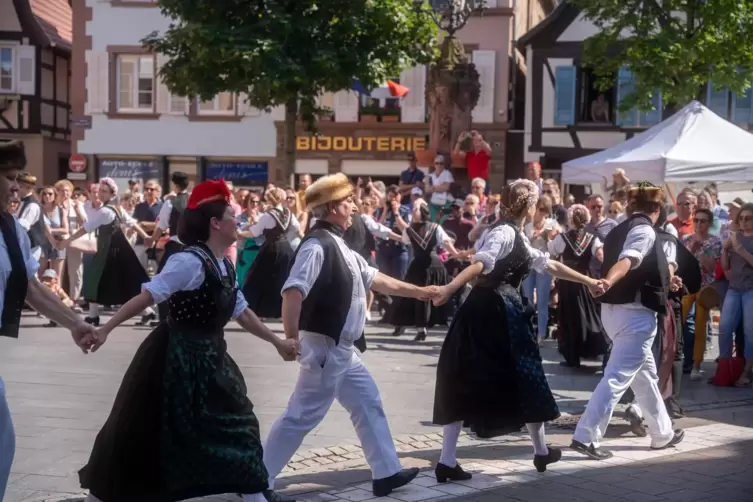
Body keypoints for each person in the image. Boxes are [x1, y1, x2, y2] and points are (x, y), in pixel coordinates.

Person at [77, 180, 298, 502]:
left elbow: (242, 311)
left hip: (211, 355)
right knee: (146, 427)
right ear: (215, 224)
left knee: (239, 419)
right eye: (233, 217)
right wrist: (107, 328)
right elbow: (147, 296)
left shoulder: (224, 263)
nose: (239, 223)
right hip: (174, 356)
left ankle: (253, 492)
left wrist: (277, 342)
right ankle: (106, 491)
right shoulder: (189, 261)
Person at [262, 173, 443, 501]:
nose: (354, 205)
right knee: (300, 416)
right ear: (333, 207)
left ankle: (386, 472)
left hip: (341, 350)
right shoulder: (316, 245)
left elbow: (376, 279)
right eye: (348, 201)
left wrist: (422, 292)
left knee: (368, 402)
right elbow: (292, 292)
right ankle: (259, 479)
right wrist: (290, 338)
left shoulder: (338, 244)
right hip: (326, 348)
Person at [428, 179, 605, 481]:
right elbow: (481, 265)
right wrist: (449, 287)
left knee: (470, 377)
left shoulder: (514, 235)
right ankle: (533, 452)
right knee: (524, 375)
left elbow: (549, 265)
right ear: (529, 206)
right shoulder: (504, 233)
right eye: (535, 201)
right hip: (499, 311)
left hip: (486, 309)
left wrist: (589, 282)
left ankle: (535, 452)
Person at [0, 140, 98, 501]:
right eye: (9, 178)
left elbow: (30, 289)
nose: (16, 186)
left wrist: (74, 322)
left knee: (2, 440)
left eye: (17, 179)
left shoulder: (10, 229)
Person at [571, 182, 685, 460]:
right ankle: (586, 436)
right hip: (634, 314)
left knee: (645, 376)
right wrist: (607, 281)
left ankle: (662, 433)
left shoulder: (617, 229)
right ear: (656, 209)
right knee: (617, 377)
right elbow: (628, 261)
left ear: (632, 207)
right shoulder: (645, 230)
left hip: (615, 312)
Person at [58, 178, 150, 326]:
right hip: (117, 252)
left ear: (112, 195)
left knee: (97, 280)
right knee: (122, 283)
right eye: (100, 190)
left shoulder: (105, 211)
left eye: (104, 191)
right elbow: (131, 222)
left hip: (108, 253)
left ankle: (94, 316)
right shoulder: (117, 208)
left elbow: (86, 227)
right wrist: (146, 236)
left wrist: (67, 241)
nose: (100, 193)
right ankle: (148, 312)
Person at [382, 198, 459, 341]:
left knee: (436, 294)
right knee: (410, 294)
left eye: (416, 208)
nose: (413, 211)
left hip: (431, 265)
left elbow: (446, 242)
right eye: (413, 208)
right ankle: (410, 325)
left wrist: (456, 254)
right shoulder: (412, 229)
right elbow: (405, 239)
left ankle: (433, 324)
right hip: (421, 265)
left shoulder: (433, 227)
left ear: (423, 211)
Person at [548, 204, 608, 367]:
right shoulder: (592, 238)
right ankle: (594, 347)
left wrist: (551, 236)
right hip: (585, 281)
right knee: (588, 314)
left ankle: (572, 356)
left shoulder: (562, 238)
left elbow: (552, 249)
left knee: (569, 317)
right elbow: (601, 254)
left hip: (567, 282)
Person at [241, 187, 299, 318]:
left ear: (270, 199)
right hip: (286, 248)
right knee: (283, 280)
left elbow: (254, 232)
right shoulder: (288, 213)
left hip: (271, 249)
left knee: (260, 280)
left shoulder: (268, 215)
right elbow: (296, 227)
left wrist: (240, 233)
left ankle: (259, 312)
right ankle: (284, 312)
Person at [148, 172, 191, 324]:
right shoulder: (195, 201)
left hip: (175, 247)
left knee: (161, 282)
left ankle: (165, 319)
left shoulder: (171, 202)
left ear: (174, 185)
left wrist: (152, 239)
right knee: (189, 283)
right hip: (193, 249)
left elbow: (161, 225)